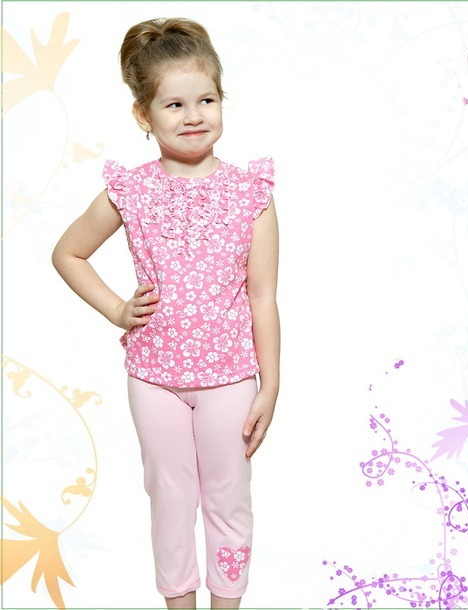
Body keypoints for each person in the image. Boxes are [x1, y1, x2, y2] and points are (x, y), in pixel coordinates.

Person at [52, 17, 280, 610]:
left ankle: (227, 603)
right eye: (174, 104)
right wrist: (117, 309)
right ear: (144, 115)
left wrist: (270, 384)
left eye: (207, 99)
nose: (194, 115)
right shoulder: (130, 190)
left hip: (230, 378)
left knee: (228, 498)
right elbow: (69, 253)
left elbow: (263, 296)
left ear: (222, 100)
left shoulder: (251, 193)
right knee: (171, 498)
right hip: (154, 377)